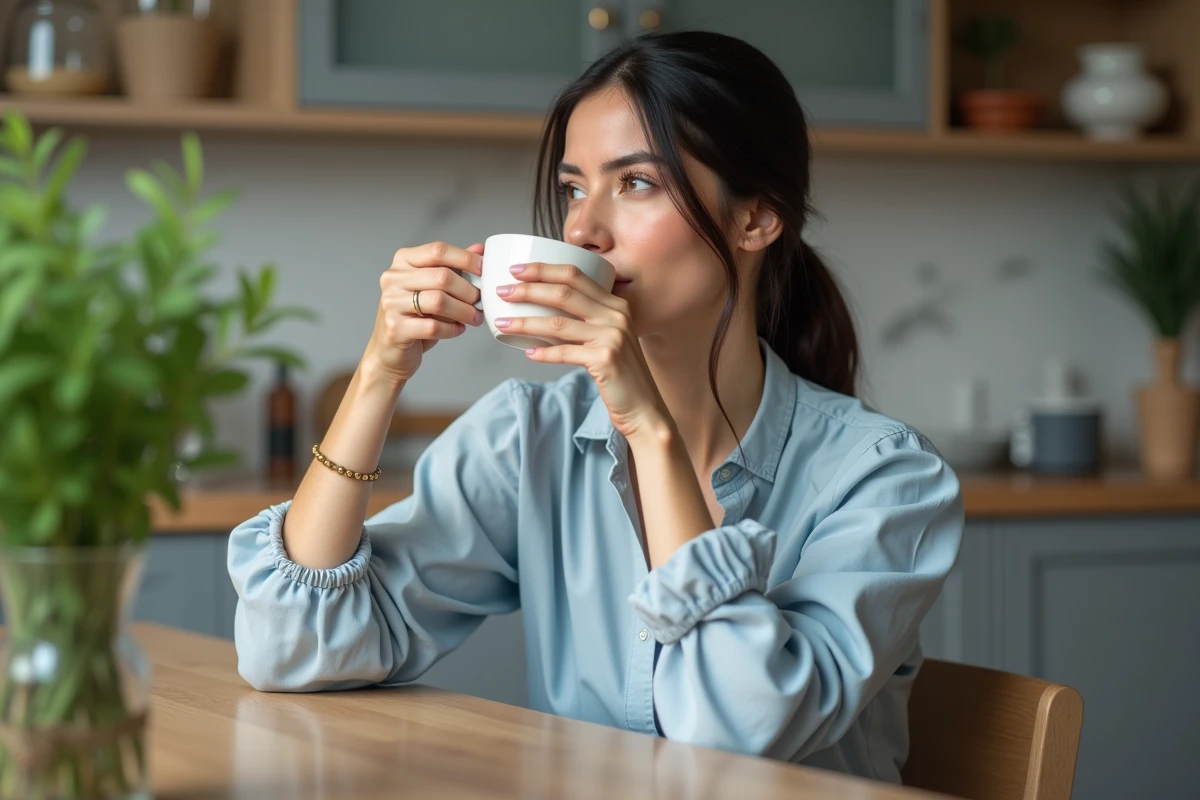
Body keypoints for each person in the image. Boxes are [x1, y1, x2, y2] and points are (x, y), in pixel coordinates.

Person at [228, 31, 964, 783]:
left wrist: (649, 430)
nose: (581, 229)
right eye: (575, 188)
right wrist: (380, 371)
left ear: (755, 220)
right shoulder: (530, 438)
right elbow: (294, 646)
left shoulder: (885, 479)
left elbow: (737, 731)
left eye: (636, 183)